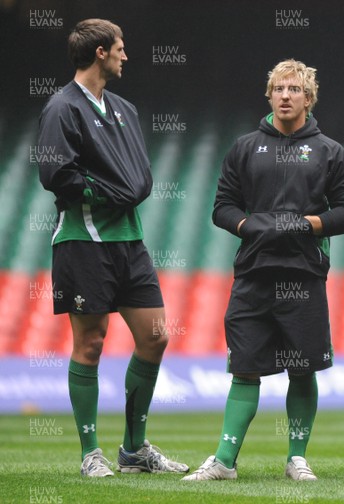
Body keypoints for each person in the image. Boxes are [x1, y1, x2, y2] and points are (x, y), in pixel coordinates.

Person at [183, 59, 344, 482]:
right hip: (253, 273)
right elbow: (221, 207)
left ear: (308, 98)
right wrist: (248, 225)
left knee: (302, 367)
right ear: (269, 95)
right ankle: (224, 461)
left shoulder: (330, 151)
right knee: (244, 367)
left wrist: (308, 224)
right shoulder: (245, 147)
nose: (285, 95)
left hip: (303, 274)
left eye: (294, 89)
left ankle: (296, 457)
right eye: (278, 88)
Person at [36, 18, 189, 477]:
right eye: (120, 48)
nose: (126, 55)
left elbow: (138, 176)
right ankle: (90, 453)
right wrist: (105, 193)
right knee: (91, 343)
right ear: (100, 52)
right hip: (84, 240)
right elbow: (53, 173)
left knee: (156, 336)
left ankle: (134, 449)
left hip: (130, 239)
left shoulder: (123, 107)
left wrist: (127, 190)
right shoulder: (62, 107)